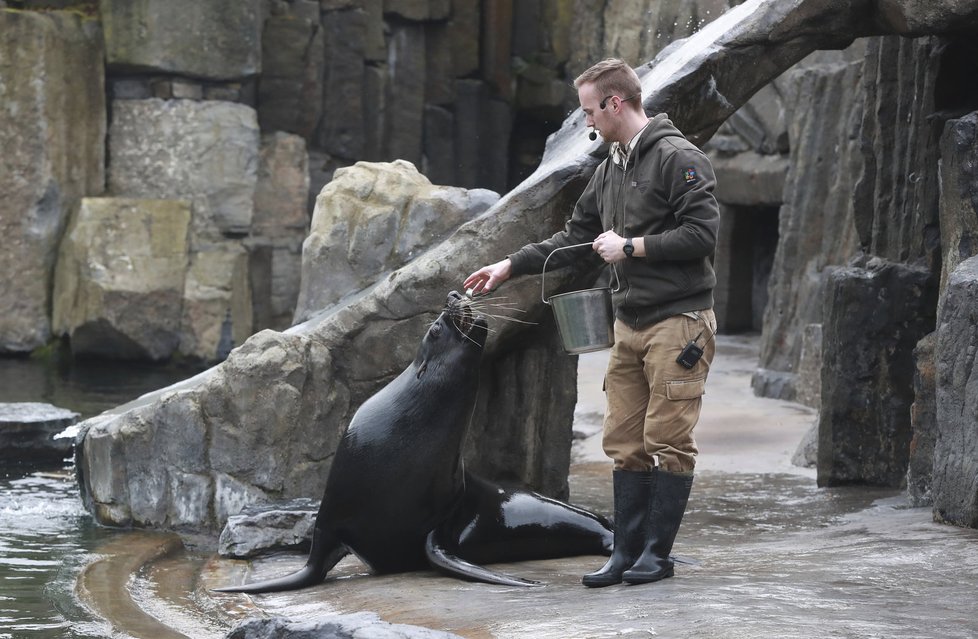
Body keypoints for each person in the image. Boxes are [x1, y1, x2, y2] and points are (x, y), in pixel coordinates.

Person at [462, 58, 720, 588]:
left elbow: (702, 236)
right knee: (624, 440)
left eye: (589, 111)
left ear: (615, 103)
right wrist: (511, 265)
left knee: (668, 439)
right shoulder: (610, 169)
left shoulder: (678, 158)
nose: (587, 123)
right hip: (630, 323)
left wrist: (631, 246)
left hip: (679, 321)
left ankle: (656, 555)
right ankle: (624, 552)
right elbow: (573, 239)